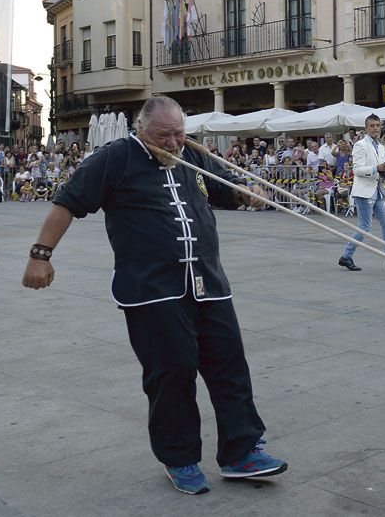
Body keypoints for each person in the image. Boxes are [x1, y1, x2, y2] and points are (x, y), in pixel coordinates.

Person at [21, 96, 287, 495]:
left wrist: (245, 193)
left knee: (229, 367)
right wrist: (40, 257)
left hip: (208, 284)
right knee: (172, 373)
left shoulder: (190, 153)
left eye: (180, 133)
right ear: (141, 129)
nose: (175, 143)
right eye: (165, 135)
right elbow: (67, 203)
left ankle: (242, 451)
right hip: (152, 291)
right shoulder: (115, 158)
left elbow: (222, 190)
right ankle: (179, 458)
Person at [339, 114, 385, 272]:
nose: (375, 128)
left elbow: (380, 168)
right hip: (364, 191)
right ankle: (346, 256)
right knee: (364, 226)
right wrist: (377, 168)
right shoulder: (360, 144)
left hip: (378, 190)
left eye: (377, 125)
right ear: (366, 128)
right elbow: (357, 169)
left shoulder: (381, 147)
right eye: (372, 126)